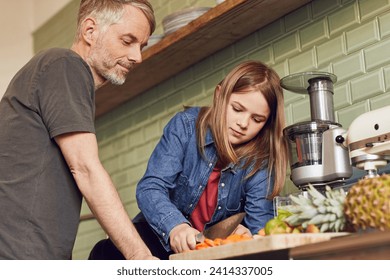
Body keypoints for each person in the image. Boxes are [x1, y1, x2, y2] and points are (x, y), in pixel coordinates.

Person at [0, 0, 158, 260]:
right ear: (90, 31)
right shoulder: (64, 64)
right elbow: (85, 168)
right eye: (127, 40)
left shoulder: (56, 74)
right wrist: (140, 256)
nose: (137, 57)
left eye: (141, 46)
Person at [88, 60, 289, 260]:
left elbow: (262, 231)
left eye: (257, 119)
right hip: (158, 239)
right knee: (105, 252)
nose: (243, 123)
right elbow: (151, 187)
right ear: (219, 96)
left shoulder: (261, 161)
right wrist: (176, 226)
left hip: (210, 253)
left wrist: (250, 239)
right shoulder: (185, 126)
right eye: (237, 109)